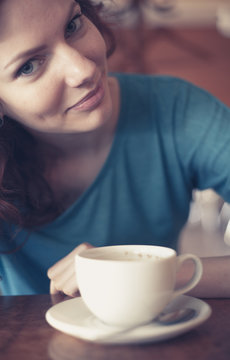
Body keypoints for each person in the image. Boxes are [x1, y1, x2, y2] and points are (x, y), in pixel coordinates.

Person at [0, 0, 230, 298]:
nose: (83, 69)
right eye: (29, 66)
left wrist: (143, 273)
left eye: (72, 25)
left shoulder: (177, 109)